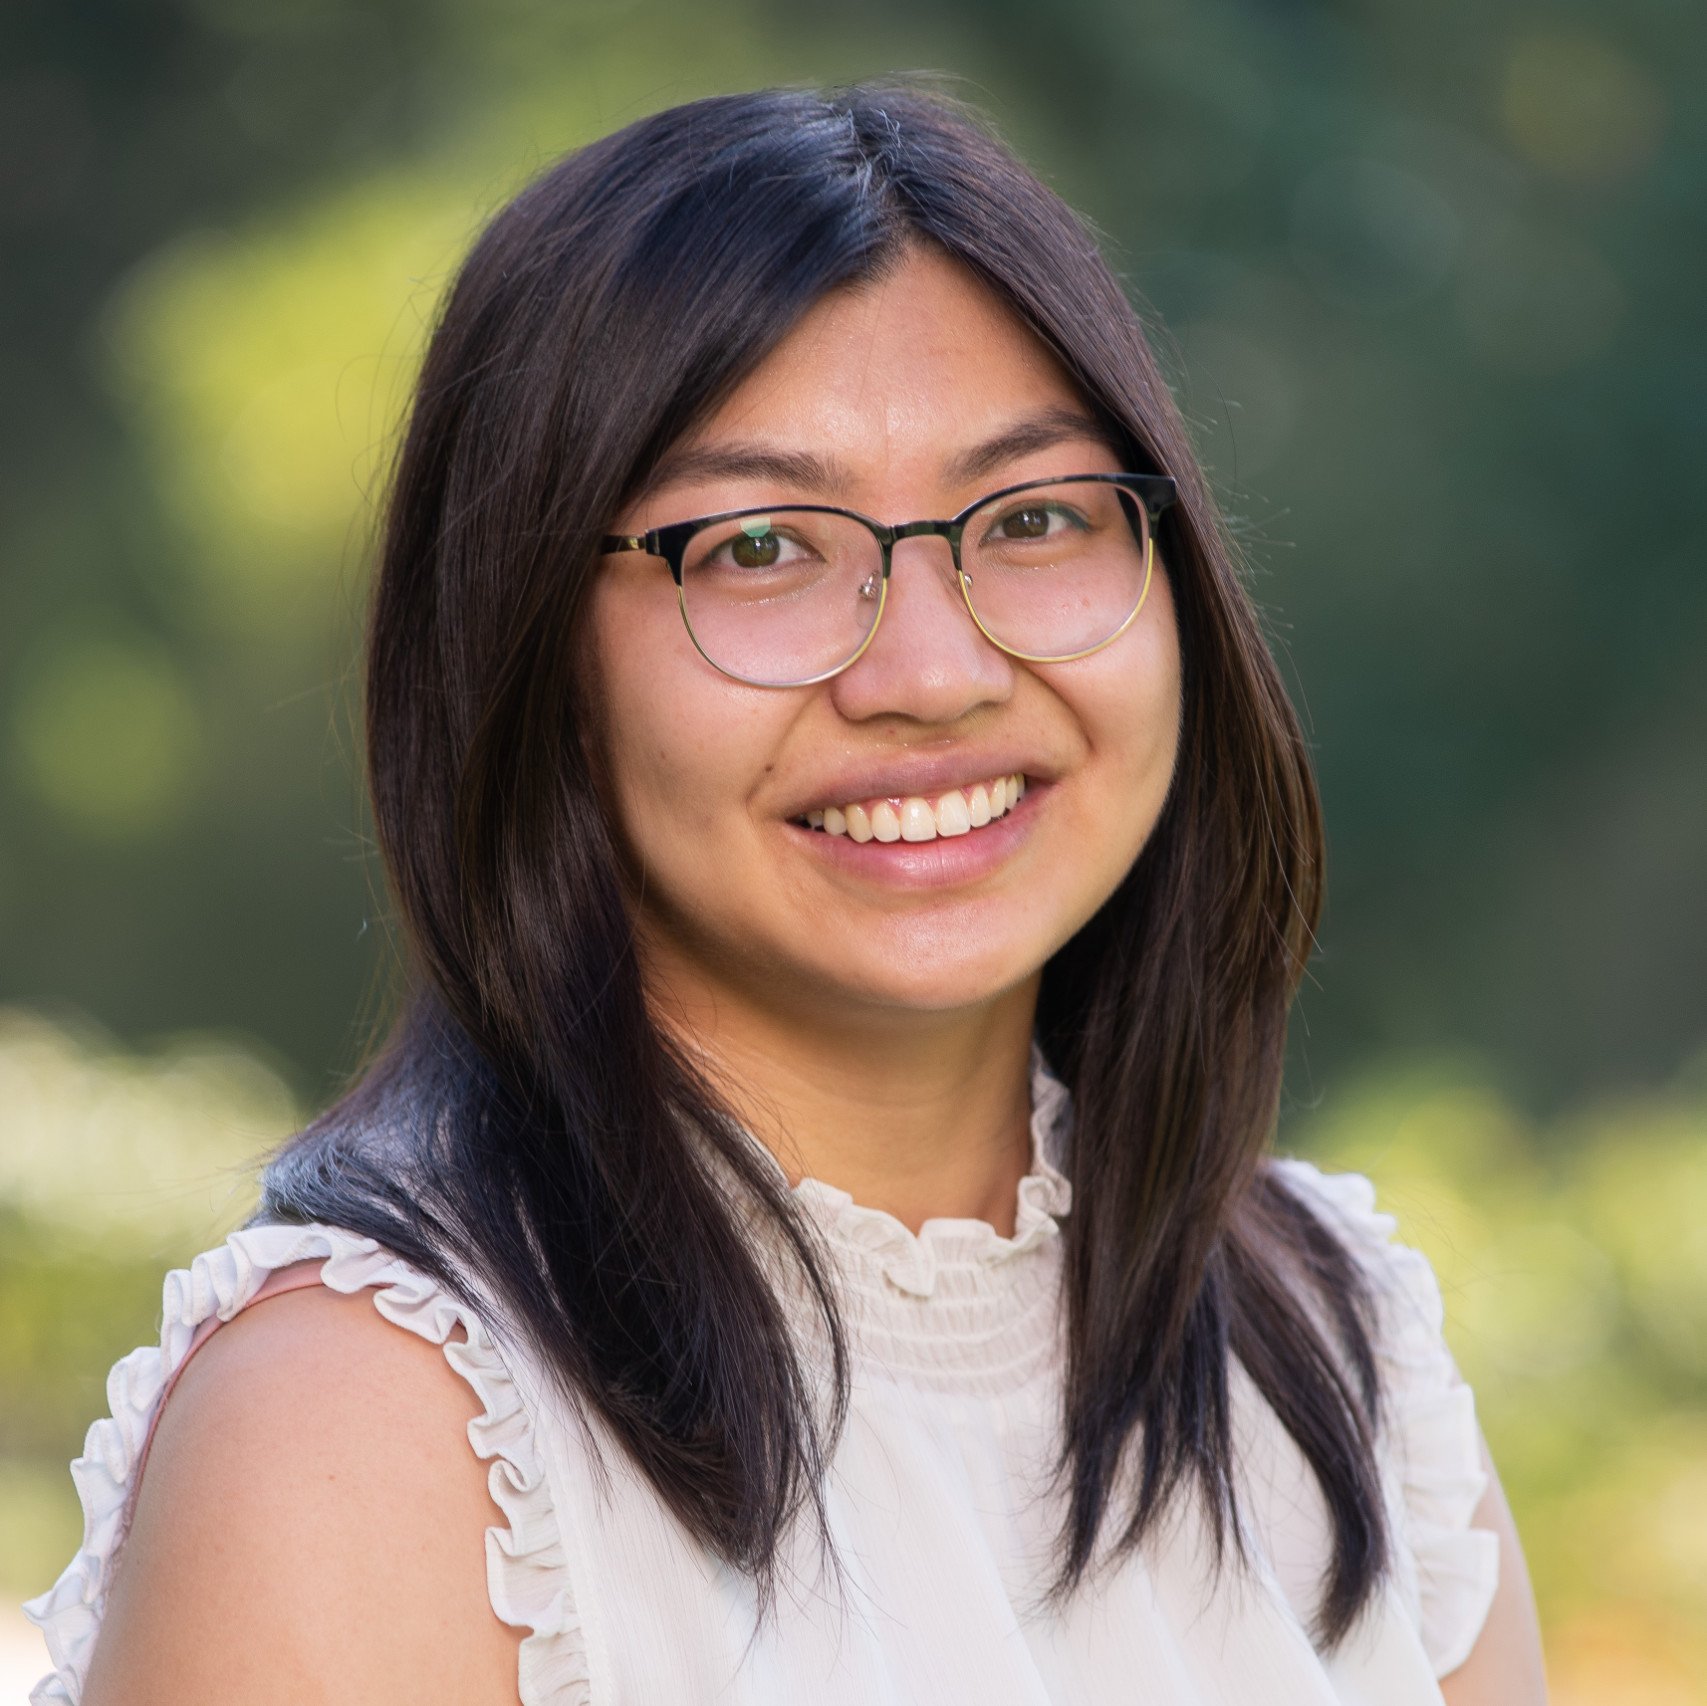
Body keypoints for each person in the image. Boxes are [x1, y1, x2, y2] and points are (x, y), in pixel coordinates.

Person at [23, 79, 1548, 1705]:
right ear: (528, 655)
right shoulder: (376, 1430)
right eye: (758, 547)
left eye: (1033, 516)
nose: (936, 668)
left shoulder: (1329, 1348)